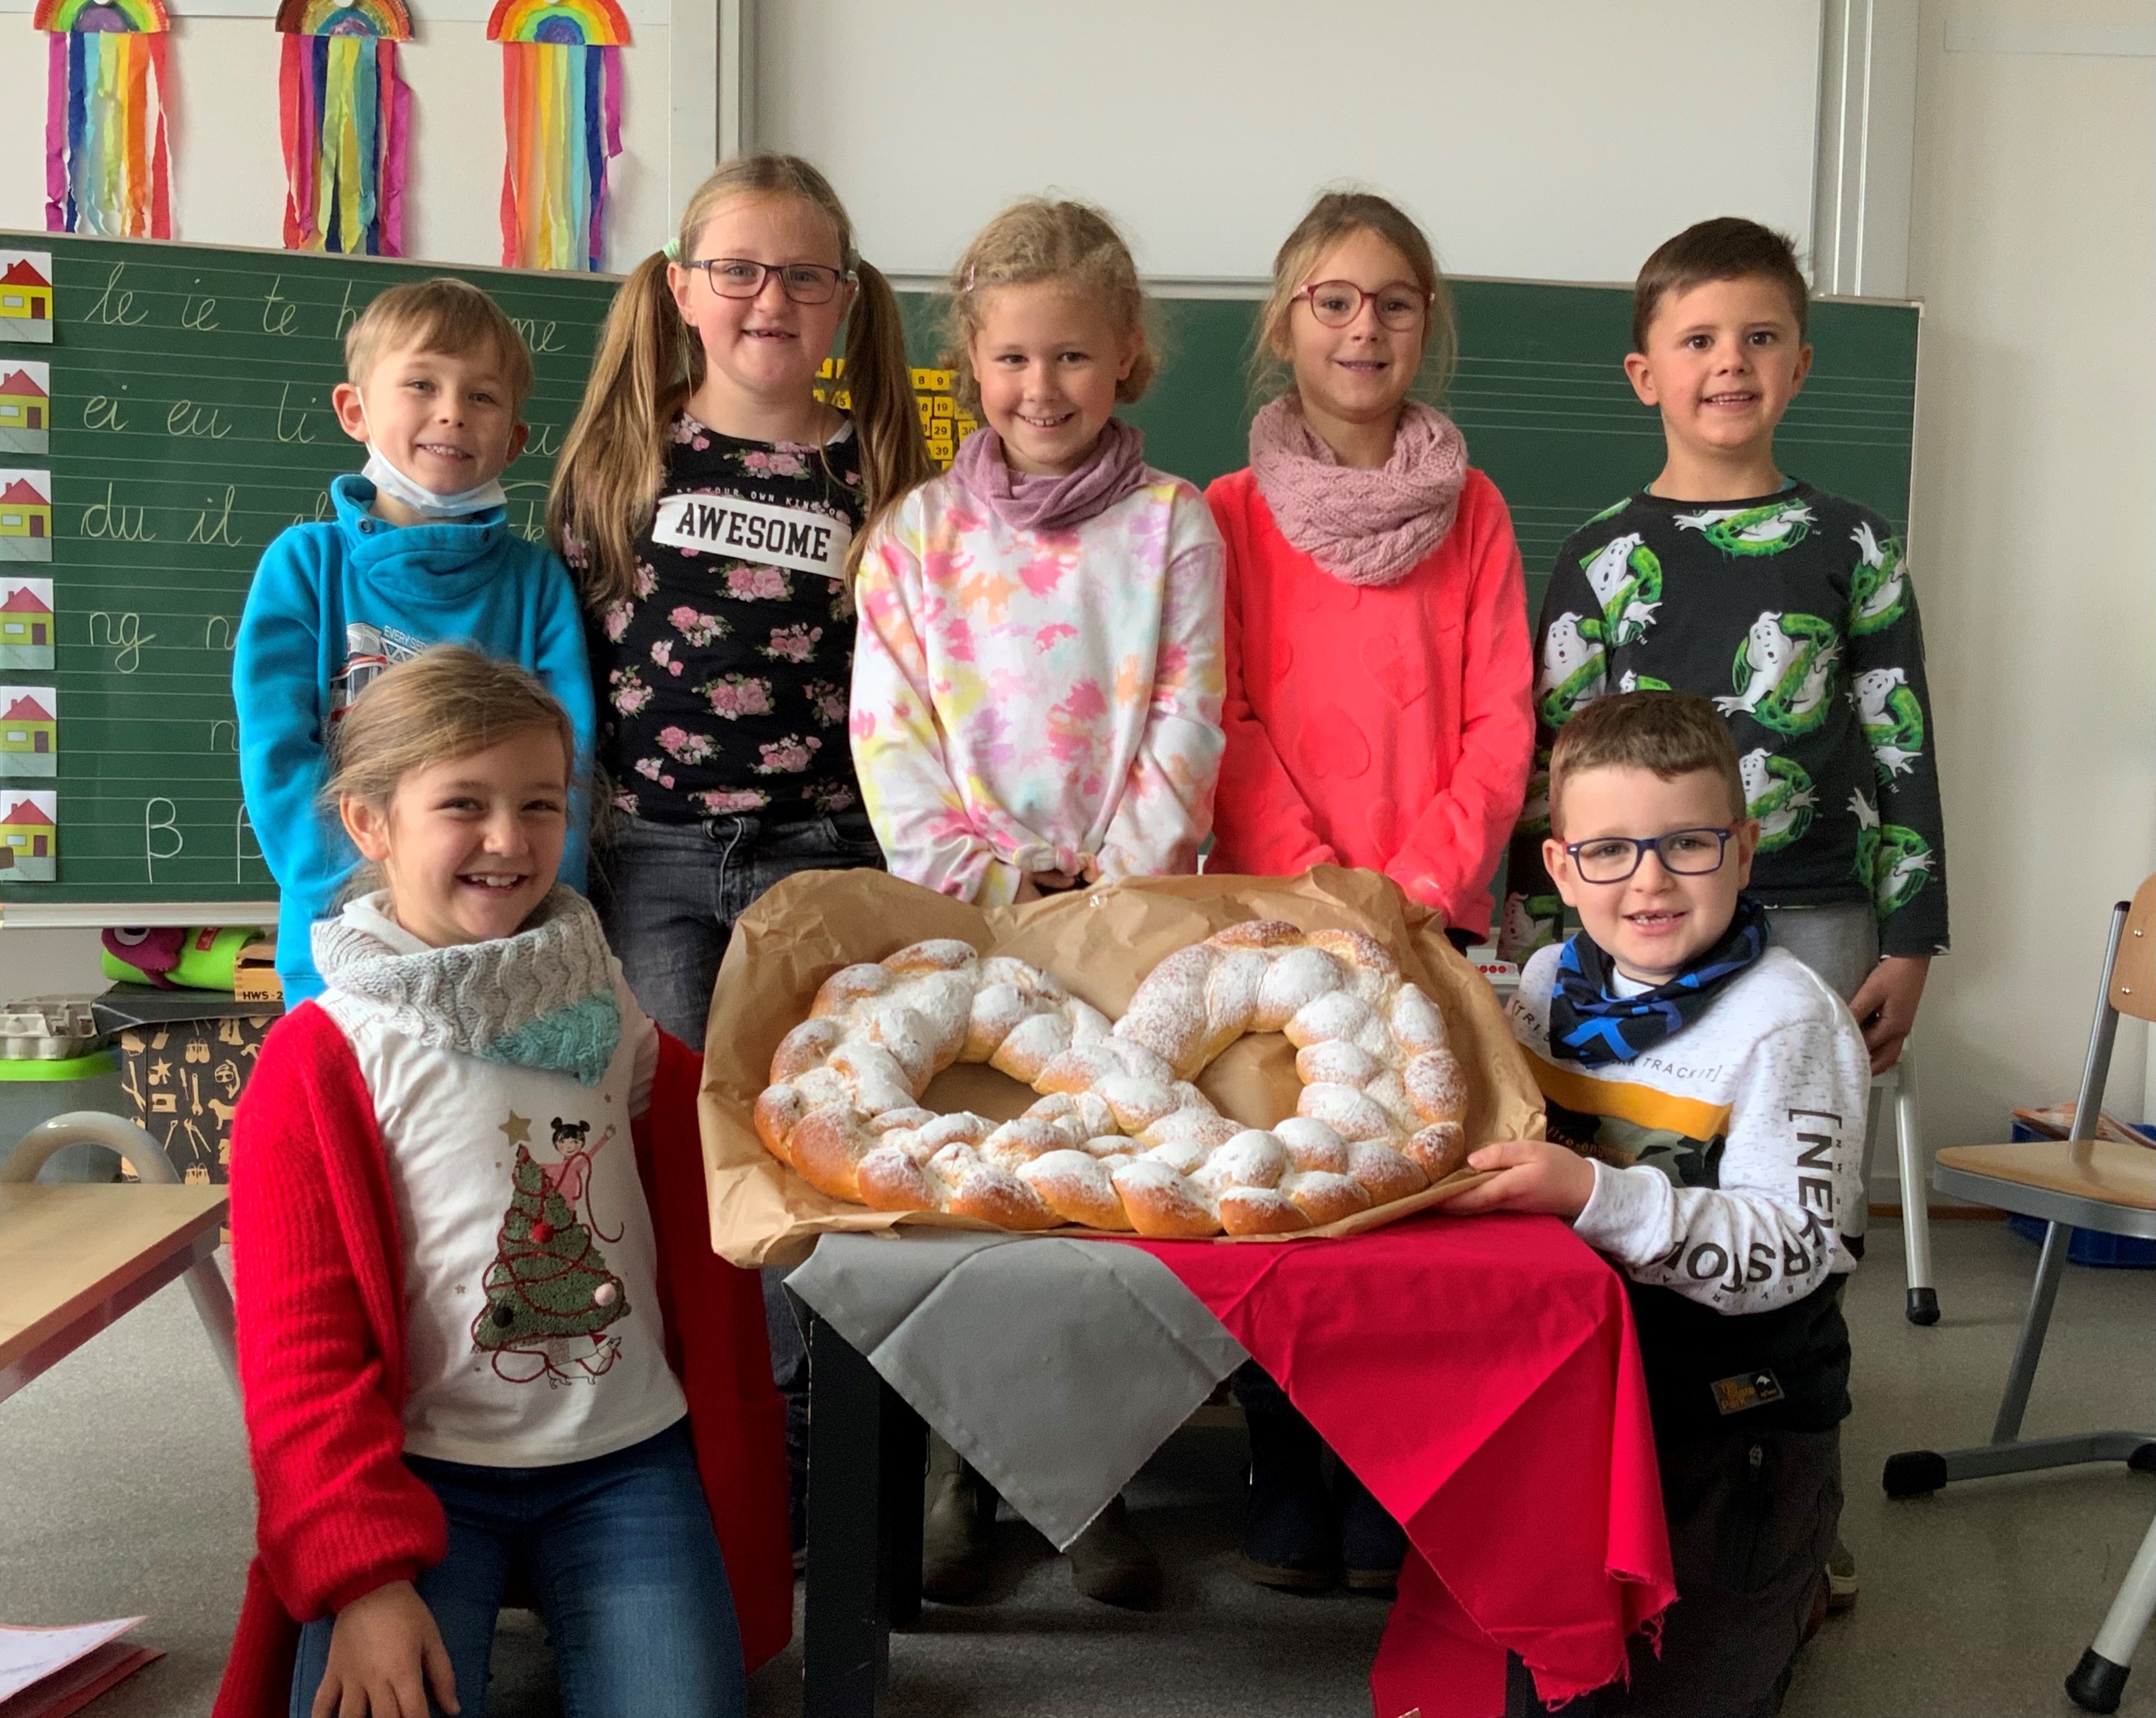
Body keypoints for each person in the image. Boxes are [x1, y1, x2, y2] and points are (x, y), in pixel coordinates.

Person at [214, 648, 789, 1718]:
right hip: (420, 1472)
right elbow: (298, 1362)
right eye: (463, 804)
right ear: (370, 824)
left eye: (538, 803)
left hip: (623, 1456)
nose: (509, 839)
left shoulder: (597, 993)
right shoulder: (322, 1058)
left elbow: (708, 1119)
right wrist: (365, 1582)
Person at [548, 152, 932, 1561]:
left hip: (822, 858)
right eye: (739, 270)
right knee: (690, 1154)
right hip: (652, 857)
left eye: (804, 274)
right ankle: (728, 1444)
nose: (771, 297)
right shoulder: (620, 462)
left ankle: (833, 1452)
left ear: (845, 297)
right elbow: (571, 679)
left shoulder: (882, 474)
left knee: (823, 1143)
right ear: (681, 289)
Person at [849, 197, 1226, 1602]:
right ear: (973, 363)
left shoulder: (1175, 524)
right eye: (1011, 358)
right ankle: (965, 1469)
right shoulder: (916, 534)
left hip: (1126, 915)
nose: (1040, 387)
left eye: (1070, 356)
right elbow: (890, 736)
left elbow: (1188, 716)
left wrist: (1114, 880)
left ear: (1126, 356)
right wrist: (988, 883)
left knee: (1104, 1199)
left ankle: (1093, 1483)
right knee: (981, 1194)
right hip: (965, 922)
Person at [1204, 190, 1534, 1596]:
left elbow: (1503, 721)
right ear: (1285, 324)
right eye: (1333, 300)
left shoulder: (1477, 510)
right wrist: (1324, 891)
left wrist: (1414, 889)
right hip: (1279, 918)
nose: (1363, 326)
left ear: (1426, 324)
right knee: (1287, 1191)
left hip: (1431, 914)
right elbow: (1222, 717)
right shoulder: (1223, 515)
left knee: (1416, 1201)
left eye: (1394, 301)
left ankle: (1396, 1475)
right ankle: (1288, 1463)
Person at [1461, 690, 1866, 1718]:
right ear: (1560, 868)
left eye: (1685, 844)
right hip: (1578, 1399)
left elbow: (1795, 1244)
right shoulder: (1547, 982)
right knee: (1557, 1668)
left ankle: (1783, 1602)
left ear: (1741, 847)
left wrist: (1591, 1194)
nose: (1646, 881)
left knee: (1691, 1677)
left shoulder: (1785, 1022)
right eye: (1607, 851)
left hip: (1729, 1422)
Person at [1500, 216, 1948, 1081]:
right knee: (1636, 1140)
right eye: (1698, 340)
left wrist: (1910, 943)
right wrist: (1534, 949)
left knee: (1802, 1139)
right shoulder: (1598, 557)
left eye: (1760, 338)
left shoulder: (1853, 543)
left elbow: (1903, 750)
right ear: (1644, 376)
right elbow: (1552, 769)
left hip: (1815, 912)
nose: (1731, 362)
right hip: (1636, 917)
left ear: (1799, 366)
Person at [236, 278, 595, 1007]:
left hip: (508, 950)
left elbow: (571, 763)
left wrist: (533, 910)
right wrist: (367, 894)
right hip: (346, 942)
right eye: (422, 384)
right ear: (355, 410)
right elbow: (278, 756)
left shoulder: (536, 584)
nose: (452, 412)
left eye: (482, 396)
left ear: (515, 439)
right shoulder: (306, 567)